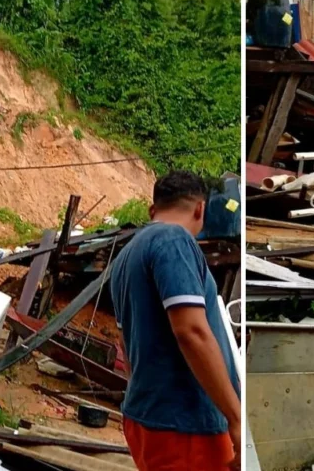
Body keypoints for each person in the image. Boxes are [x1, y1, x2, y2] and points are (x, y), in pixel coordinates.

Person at [110, 171, 241, 471]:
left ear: (152, 209)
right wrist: (235, 418)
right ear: (200, 209)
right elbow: (191, 330)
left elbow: (126, 344)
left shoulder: (124, 257)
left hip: (148, 418)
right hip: (185, 425)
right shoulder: (174, 240)